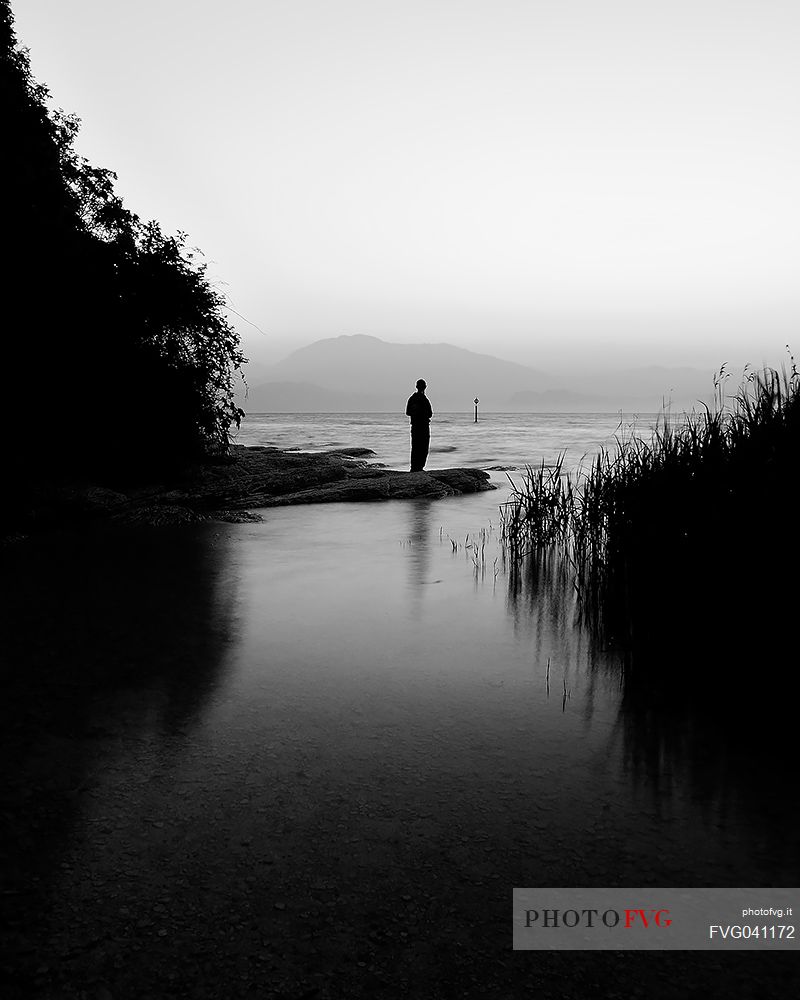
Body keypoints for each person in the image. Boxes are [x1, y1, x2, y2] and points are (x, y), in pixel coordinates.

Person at [405, 379, 433, 471]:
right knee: (422, 446)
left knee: (417, 446)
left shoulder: (414, 398)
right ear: (425, 387)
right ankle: (417, 467)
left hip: (418, 425)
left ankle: (416, 467)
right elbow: (429, 413)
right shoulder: (420, 399)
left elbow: (408, 412)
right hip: (421, 425)